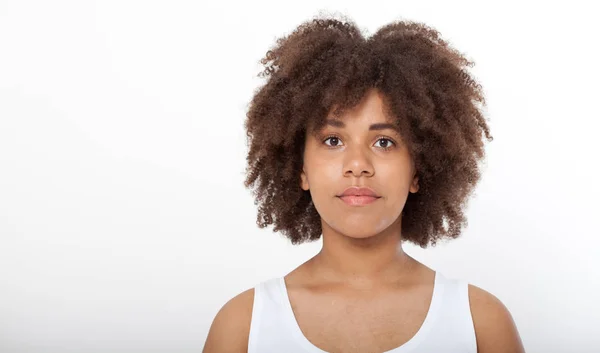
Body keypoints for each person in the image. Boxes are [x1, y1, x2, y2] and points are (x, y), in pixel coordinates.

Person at [203, 14, 525, 353]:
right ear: (300, 169)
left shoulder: (480, 324)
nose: (358, 165)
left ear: (419, 168)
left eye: (384, 142)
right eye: (332, 141)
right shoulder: (243, 326)